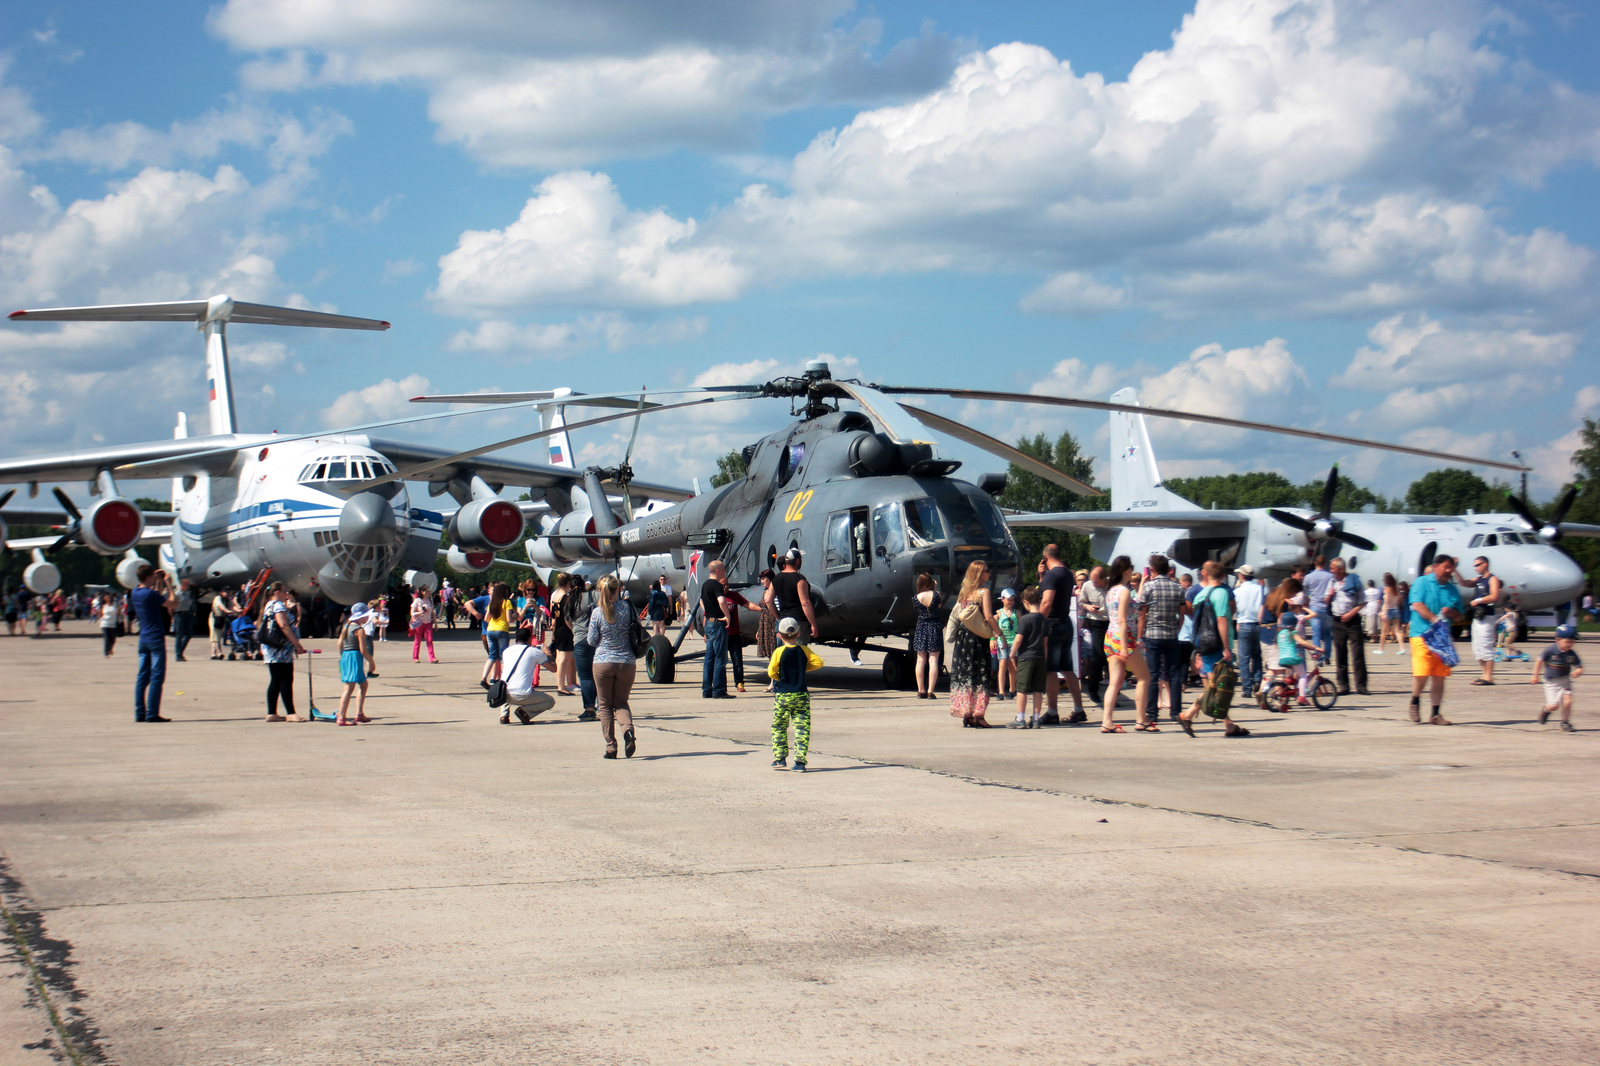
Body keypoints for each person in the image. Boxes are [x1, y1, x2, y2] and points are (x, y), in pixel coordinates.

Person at [1177, 561, 1247, 737]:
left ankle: (1228, 725)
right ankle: (1187, 715)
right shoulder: (1221, 593)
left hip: (1203, 643)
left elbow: (1195, 619)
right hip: (1216, 644)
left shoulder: (1201, 594)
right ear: (1223, 576)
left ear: (1206, 574)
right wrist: (1226, 647)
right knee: (1218, 684)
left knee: (1215, 685)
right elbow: (1222, 619)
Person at [587, 574, 639, 759]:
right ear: (618, 589)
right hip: (626, 661)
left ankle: (611, 746)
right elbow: (638, 628)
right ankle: (628, 731)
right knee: (621, 702)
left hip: (603, 661)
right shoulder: (628, 608)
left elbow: (592, 640)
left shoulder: (597, 612)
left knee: (605, 706)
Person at [1408, 555, 1464, 726]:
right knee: (1423, 671)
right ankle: (1415, 701)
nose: (1449, 571)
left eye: (1451, 568)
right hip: (1421, 634)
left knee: (1440, 676)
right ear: (1435, 566)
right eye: (1446, 567)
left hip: (1442, 638)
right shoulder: (1421, 582)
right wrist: (1434, 619)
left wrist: (1451, 613)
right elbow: (1417, 605)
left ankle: (1435, 714)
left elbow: (1459, 616)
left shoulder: (1452, 590)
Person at [1036, 543, 1086, 724]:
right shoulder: (1066, 573)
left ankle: (1052, 712)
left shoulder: (1052, 575)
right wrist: (1042, 577)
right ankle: (1079, 709)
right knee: (1067, 669)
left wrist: (1037, 623)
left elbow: (1047, 602)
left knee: (1050, 671)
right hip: (1065, 623)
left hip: (1052, 626)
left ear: (1045, 557)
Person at [1100, 555, 1151, 732]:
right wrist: (1124, 647)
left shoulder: (1112, 591)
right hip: (1124, 637)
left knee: (1115, 682)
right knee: (1144, 677)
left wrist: (1143, 583)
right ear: (1126, 570)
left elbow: (1134, 606)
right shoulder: (1124, 591)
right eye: (1131, 567)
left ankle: (1107, 721)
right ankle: (1141, 719)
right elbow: (1123, 620)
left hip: (1110, 637)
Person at [769, 616, 824, 770]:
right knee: (802, 727)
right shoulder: (804, 650)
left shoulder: (778, 652)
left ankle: (780, 757)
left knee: (779, 725)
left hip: (783, 694)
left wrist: (781, 676)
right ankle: (800, 762)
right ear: (798, 634)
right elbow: (819, 662)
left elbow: (771, 671)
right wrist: (802, 669)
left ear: (779, 635)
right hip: (801, 694)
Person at [946, 560, 998, 728]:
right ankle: (979, 715)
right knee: (981, 673)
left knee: (965, 674)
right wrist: (999, 633)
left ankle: (967, 713)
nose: (989, 573)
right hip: (977, 637)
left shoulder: (964, 594)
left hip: (963, 639)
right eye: (986, 571)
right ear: (979, 574)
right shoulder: (984, 592)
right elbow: (989, 617)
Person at [1137, 554, 1187, 722]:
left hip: (1152, 634)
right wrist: (1176, 630)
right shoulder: (1178, 588)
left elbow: (1142, 614)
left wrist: (1139, 635)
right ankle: (1175, 712)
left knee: (1152, 674)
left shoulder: (1149, 587)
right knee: (1174, 674)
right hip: (1171, 635)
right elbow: (1182, 615)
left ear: (1153, 569)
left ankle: (1152, 713)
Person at [129, 563, 174, 723]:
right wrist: (168, 583)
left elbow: (154, 595)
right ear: (148, 577)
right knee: (156, 677)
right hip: (156, 640)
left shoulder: (136, 592)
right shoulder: (150, 594)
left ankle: (140, 712)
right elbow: (172, 603)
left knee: (142, 678)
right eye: (153, 575)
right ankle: (152, 713)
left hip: (144, 640)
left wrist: (157, 580)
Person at [260, 582, 307, 722]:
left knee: (275, 679)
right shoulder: (278, 606)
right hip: (281, 649)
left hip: (271, 648)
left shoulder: (268, 605)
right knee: (286, 679)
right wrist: (296, 643)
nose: (286, 594)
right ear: (276, 592)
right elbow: (283, 625)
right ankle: (291, 713)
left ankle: (272, 712)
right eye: (284, 591)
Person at [1008, 586, 1048, 729]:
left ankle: (1020, 718)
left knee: (1022, 689)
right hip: (1040, 657)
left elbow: (1018, 639)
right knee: (1038, 690)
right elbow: (1045, 643)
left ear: (1025, 601)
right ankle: (1036, 718)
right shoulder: (1044, 619)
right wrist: (1045, 658)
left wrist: (1012, 654)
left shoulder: (1025, 619)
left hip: (1026, 657)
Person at [1328, 558, 1369, 696]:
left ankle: (1361, 686)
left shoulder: (1354, 581)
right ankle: (1343, 686)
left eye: (1333, 568)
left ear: (1341, 569)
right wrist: (1329, 596)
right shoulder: (1332, 582)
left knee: (1358, 654)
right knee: (1340, 654)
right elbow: (1325, 600)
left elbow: (1362, 601)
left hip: (1352, 621)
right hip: (1337, 621)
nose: (1331, 571)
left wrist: (1351, 614)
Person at [1532, 624, 1582, 732]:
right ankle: (1545, 711)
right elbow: (1539, 659)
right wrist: (1535, 675)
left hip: (1565, 681)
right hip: (1551, 682)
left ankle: (1565, 722)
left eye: (1572, 642)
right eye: (1567, 642)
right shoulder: (1550, 650)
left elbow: (1579, 666)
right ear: (1557, 639)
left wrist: (1578, 671)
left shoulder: (1571, 654)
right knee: (1553, 706)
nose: (1570, 644)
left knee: (1568, 701)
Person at [336, 602, 376, 726]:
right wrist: (371, 663)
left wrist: (342, 657)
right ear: (361, 616)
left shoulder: (346, 627)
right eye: (366, 615)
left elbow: (339, 644)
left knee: (363, 684)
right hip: (355, 656)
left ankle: (359, 713)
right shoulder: (359, 630)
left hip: (346, 656)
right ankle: (341, 717)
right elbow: (363, 650)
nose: (368, 618)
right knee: (349, 688)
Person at [766, 548, 818, 642]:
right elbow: (805, 603)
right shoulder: (800, 579)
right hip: (798, 622)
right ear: (798, 560)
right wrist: (813, 624)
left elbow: (768, 601)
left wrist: (778, 616)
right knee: (798, 651)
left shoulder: (776, 579)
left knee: (786, 651)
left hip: (783, 620)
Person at [500, 627, 549, 724]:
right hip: (523, 695)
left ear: (515, 640)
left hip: (503, 696)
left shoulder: (506, 651)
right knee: (550, 701)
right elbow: (553, 668)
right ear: (529, 639)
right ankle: (524, 712)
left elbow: (502, 668)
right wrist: (548, 653)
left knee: (506, 684)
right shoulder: (533, 651)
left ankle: (504, 716)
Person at [567, 576, 599, 721]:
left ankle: (589, 709)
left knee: (585, 676)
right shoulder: (592, 596)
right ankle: (604, 705)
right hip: (596, 639)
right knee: (599, 675)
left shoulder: (570, 601)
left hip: (579, 640)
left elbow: (567, 620)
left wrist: (576, 630)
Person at [1468, 556, 1503, 686]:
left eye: (1478, 565)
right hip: (1478, 617)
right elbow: (1464, 583)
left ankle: (1489, 677)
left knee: (1486, 645)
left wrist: (1478, 600)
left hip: (1487, 616)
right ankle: (1484, 674)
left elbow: (1494, 596)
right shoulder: (1478, 579)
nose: (1476, 568)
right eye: (1475, 566)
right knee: (1477, 647)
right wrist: (1455, 570)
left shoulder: (1492, 579)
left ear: (1485, 564)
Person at [701, 559, 733, 699]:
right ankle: (719, 690)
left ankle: (707, 689)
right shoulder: (716, 585)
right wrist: (727, 615)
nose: (725, 571)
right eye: (724, 569)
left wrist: (708, 612)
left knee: (709, 658)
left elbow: (702, 601)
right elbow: (721, 601)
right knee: (720, 658)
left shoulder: (705, 585)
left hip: (708, 622)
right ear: (718, 571)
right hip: (718, 623)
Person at [1077, 566, 1109, 702]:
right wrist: (1087, 606)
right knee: (1098, 655)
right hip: (1096, 622)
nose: (1093, 584)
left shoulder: (1112, 584)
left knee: (1112, 657)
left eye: (1096, 582)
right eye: (1092, 581)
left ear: (1104, 579)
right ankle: (1092, 687)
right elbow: (1081, 602)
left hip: (1112, 621)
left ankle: (1112, 692)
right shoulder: (1088, 586)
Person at [1233, 566, 1266, 698]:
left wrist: (1237, 622)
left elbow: (1236, 609)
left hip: (1244, 623)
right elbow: (1263, 605)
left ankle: (1247, 688)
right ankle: (1257, 680)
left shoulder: (1237, 591)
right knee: (1257, 655)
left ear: (1241, 576)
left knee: (1244, 658)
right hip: (1257, 624)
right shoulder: (1260, 588)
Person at [911, 573, 942, 699]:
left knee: (920, 660)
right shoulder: (937, 595)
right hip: (934, 626)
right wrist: (934, 588)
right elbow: (938, 606)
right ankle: (930, 690)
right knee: (933, 659)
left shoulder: (916, 597)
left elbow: (917, 609)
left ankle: (921, 689)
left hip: (922, 627)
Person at [1303, 555, 1336, 663]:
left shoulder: (1308, 577)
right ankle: (1327, 656)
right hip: (1326, 607)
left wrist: (1305, 606)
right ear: (1325, 564)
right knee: (1327, 633)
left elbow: (1304, 592)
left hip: (1314, 607)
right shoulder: (1331, 576)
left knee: (1316, 633)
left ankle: (1318, 656)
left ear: (1315, 563)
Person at [549, 574, 577, 696]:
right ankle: (561, 687)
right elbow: (567, 617)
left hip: (558, 628)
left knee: (559, 658)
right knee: (564, 659)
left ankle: (560, 684)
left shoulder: (555, 595)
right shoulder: (566, 597)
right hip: (565, 629)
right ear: (567, 582)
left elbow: (552, 614)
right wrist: (573, 630)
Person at [994, 588, 1019, 702]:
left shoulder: (1017, 613)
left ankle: (1012, 689)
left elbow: (1021, 627)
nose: (1011, 601)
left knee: (1012, 665)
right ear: (1003, 599)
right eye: (1009, 599)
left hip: (1013, 641)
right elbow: (993, 627)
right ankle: (1000, 690)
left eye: (1012, 599)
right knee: (1002, 664)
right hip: (1002, 641)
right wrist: (992, 639)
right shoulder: (998, 613)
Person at [754, 569, 779, 681]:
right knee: (769, 653)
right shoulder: (765, 592)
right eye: (761, 579)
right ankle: (773, 680)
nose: (762, 581)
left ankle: (774, 681)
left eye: (764, 579)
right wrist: (759, 630)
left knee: (774, 651)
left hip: (772, 622)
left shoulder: (775, 592)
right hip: (764, 623)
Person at [410, 588, 438, 664]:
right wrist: (420, 613)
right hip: (419, 623)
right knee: (417, 640)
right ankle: (415, 657)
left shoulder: (430, 600)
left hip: (428, 622)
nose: (429, 592)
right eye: (427, 591)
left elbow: (432, 613)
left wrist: (435, 623)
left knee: (429, 640)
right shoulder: (417, 600)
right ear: (422, 592)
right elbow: (412, 613)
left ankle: (432, 658)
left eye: (429, 591)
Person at [171, 579, 195, 661]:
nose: (188, 586)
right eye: (187, 584)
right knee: (179, 634)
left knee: (189, 634)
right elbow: (171, 607)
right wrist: (172, 616)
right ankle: (178, 655)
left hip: (187, 614)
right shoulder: (177, 594)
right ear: (183, 584)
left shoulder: (188, 594)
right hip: (179, 614)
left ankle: (180, 651)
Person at [99, 591, 120, 657]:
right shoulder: (103, 605)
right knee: (107, 638)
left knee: (113, 639)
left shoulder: (115, 604)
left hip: (113, 624)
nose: (108, 598)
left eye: (109, 597)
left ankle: (110, 649)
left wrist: (119, 611)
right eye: (107, 597)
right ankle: (106, 652)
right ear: (104, 598)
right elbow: (100, 614)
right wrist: (101, 617)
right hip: (105, 624)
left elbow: (118, 613)